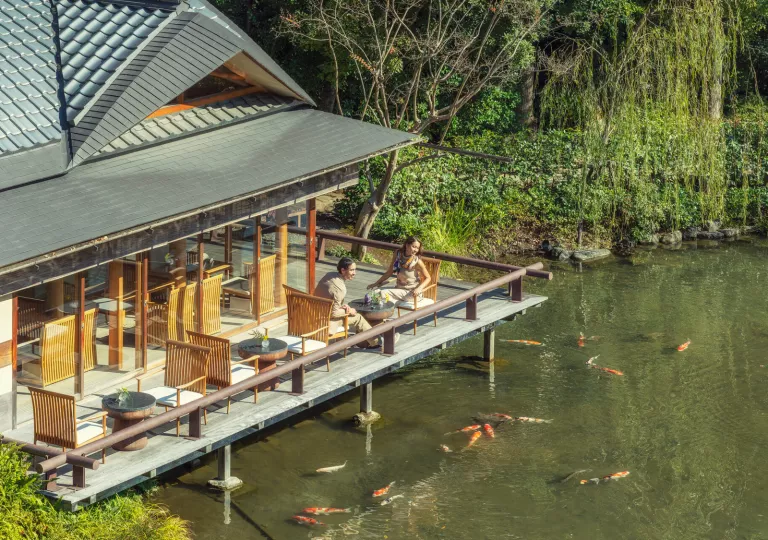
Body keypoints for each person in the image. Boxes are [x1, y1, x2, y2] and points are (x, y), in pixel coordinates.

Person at [315, 257, 384, 349]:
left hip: (314, 314)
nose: (354, 273)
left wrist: (341, 307)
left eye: (355, 270)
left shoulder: (329, 276)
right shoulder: (339, 288)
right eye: (352, 270)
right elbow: (333, 313)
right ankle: (377, 342)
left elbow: (329, 298)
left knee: (352, 313)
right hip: (325, 322)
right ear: (343, 270)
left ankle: (368, 341)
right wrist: (349, 311)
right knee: (358, 317)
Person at [368, 236, 431, 302]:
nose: (415, 250)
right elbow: (390, 272)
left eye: (417, 248)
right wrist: (376, 283)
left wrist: (419, 288)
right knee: (374, 293)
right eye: (413, 247)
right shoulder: (398, 254)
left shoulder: (417, 261)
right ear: (407, 245)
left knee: (381, 294)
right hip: (399, 290)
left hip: (411, 293)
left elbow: (428, 278)